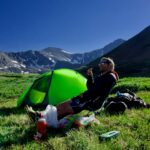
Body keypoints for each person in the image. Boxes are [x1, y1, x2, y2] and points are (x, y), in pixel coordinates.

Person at [26, 57, 119, 125]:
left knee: (65, 110)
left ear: (109, 64)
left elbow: (96, 91)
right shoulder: (103, 75)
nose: (99, 65)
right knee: (60, 105)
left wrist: (83, 96)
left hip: (91, 102)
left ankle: (41, 119)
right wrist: (90, 76)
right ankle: (41, 115)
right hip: (86, 98)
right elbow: (91, 87)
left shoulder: (110, 77)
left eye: (102, 63)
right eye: (99, 63)